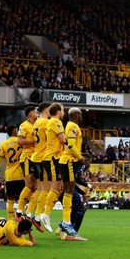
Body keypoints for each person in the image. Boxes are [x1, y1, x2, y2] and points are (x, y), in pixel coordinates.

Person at [58, 107, 84, 238]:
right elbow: (71, 146)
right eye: (80, 114)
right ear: (74, 114)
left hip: (68, 160)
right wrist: (80, 158)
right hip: (69, 160)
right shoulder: (73, 126)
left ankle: (64, 224)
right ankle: (66, 222)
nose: (81, 116)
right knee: (69, 191)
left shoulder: (70, 125)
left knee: (69, 191)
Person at [39, 102, 65, 232]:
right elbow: (62, 140)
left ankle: (46, 213)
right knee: (56, 187)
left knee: (59, 187)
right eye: (63, 110)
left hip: (51, 158)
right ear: (59, 112)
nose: (64, 112)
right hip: (52, 158)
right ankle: (45, 214)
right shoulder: (56, 122)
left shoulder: (51, 122)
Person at [26, 102, 51, 232]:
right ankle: (35, 215)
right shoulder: (46, 123)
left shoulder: (37, 122)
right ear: (47, 110)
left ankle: (30, 213)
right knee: (45, 189)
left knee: (40, 189)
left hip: (36, 157)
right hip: (42, 158)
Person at [0, 126, 24, 220]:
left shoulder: (3, 144)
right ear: (15, 132)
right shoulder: (22, 142)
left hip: (10, 176)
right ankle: (21, 219)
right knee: (21, 200)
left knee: (10, 200)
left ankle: (10, 221)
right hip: (21, 176)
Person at [16, 105, 38, 222]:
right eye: (35, 111)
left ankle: (26, 211)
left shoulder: (38, 124)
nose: (37, 113)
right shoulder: (24, 125)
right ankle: (19, 211)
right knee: (30, 185)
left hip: (37, 157)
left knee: (36, 187)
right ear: (30, 113)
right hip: (27, 157)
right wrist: (35, 140)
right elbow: (20, 141)